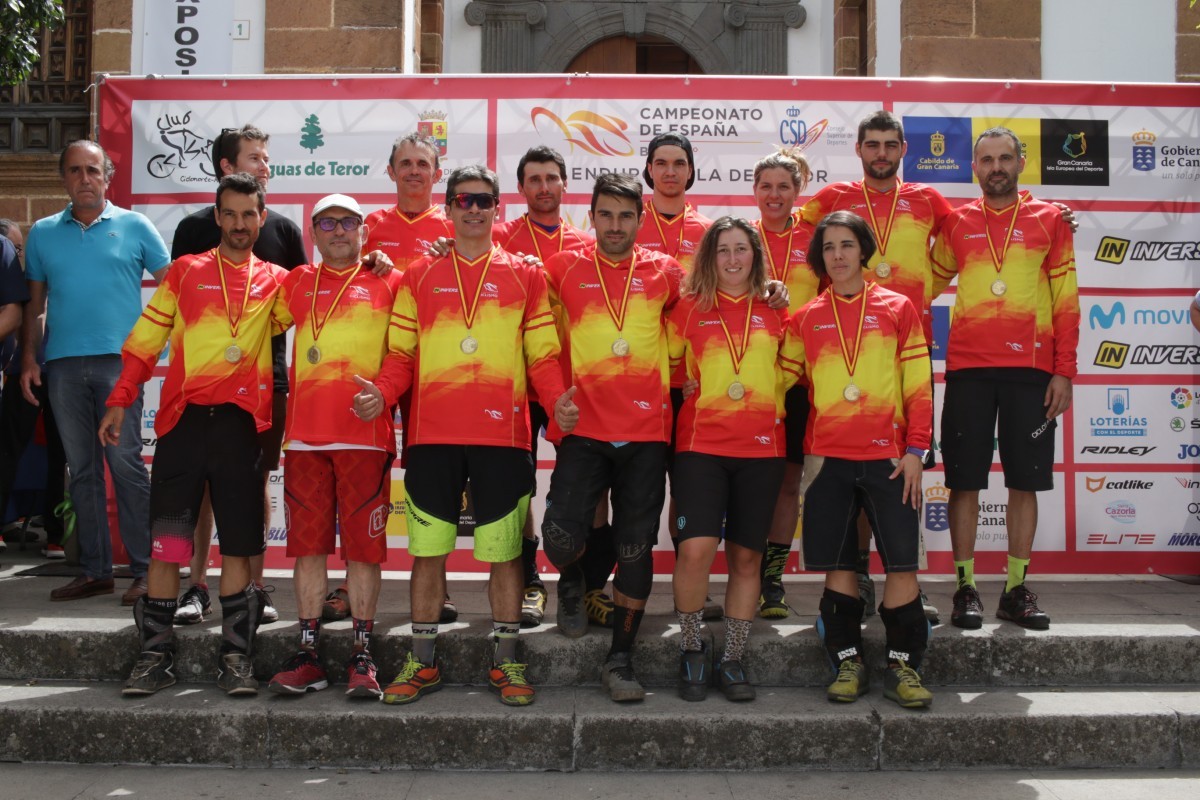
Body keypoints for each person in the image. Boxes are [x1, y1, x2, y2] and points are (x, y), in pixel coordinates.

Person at [356, 165, 577, 707]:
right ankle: (423, 662)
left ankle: (506, 662)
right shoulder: (418, 276)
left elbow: (543, 356)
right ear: (449, 208)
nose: (473, 209)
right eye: (463, 200)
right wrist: (382, 394)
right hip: (433, 436)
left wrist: (557, 401)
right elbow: (401, 356)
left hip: (502, 437)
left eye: (483, 201)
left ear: (497, 209)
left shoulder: (526, 275)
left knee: (503, 553)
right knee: (428, 553)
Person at [107, 172, 289, 696]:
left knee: (237, 548)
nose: (238, 225)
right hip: (183, 426)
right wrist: (120, 399)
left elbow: (327, 301)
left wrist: (375, 262)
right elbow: (145, 342)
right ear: (217, 216)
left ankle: (234, 657)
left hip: (240, 428)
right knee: (168, 546)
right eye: (229, 214)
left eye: (248, 215)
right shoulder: (185, 272)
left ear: (261, 217)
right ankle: (153, 655)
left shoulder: (277, 280)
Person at [799, 111, 953, 624]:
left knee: (903, 470)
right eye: (872, 145)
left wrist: (1055, 212)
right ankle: (857, 578)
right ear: (859, 150)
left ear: (903, 149)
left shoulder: (929, 200)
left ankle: (906, 579)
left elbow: (969, 235)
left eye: (890, 144)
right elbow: (782, 231)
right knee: (849, 473)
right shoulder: (833, 199)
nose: (881, 153)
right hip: (842, 346)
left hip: (905, 345)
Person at [781, 210, 934, 709]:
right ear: (819, 257)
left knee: (902, 567)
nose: (838, 255)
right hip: (827, 460)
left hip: (890, 458)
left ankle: (902, 668)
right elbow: (774, 380)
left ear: (863, 251)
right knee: (840, 568)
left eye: (847, 245)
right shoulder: (804, 318)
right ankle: (849, 661)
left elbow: (918, 384)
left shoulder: (898, 307)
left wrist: (916, 450)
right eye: (828, 247)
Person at [540, 172, 682, 701]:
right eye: (606, 214)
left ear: (641, 219)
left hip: (647, 433)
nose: (616, 225)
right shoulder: (562, 268)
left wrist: (769, 289)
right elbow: (534, 330)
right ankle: (575, 579)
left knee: (635, 547)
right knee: (559, 534)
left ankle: (620, 660)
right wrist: (557, 399)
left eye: (626, 216)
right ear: (591, 216)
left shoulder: (666, 272)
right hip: (585, 427)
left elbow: (712, 304)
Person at [931, 127, 1079, 631]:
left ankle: (1016, 589)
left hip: (1031, 371)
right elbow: (924, 282)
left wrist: (1065, 370)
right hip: (969, 368)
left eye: (1005, 158)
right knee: (964, 482)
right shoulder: (955, 222)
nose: (996, 167)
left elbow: (1066, 302)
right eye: (986, 159)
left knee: (1025, 482)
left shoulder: (1051, 220)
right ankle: (965, 587)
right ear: (974, 168)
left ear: (1021, 163)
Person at [169, 124, 307, 628]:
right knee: (202, 490)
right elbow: (175, 310)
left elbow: (309, 301)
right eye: (255, 157)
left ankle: (254, 586)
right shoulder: (191, 231)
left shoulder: (285, 230)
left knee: (253, 485)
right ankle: (196, 586)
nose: (265, 166)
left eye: (267, 159)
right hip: (201, 387)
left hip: (266, 383)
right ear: (227, 167)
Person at [265, 194, 401, 700]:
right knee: (307, 549)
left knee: (364, 552)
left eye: (348, 223)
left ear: (364, 231)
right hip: (304, 439)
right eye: (327, 223)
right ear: (314, 232)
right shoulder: (295, 283)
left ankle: (362, 654)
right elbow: (253, 320)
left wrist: (383, 394)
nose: (338, 231)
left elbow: (404, 355)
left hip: (365, 439)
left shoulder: (390, 280)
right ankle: (307, 653)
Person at [22, 140, 168, 604]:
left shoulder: (136, 225)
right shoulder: (43, 233)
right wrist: (28, 359)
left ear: (107, 176)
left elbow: (172, 292)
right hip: (61, 366)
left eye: (93, 170)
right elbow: (34, 306)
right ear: (63, 179)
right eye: (75, 171)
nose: (85, 178)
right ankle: (95, 570)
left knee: (124, 464)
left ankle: (146, 572)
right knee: (79, 470)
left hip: (120, 367)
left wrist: (155, 350)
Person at [667, 217, 786, 702]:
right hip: (700, 446)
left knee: (747, 556)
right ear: (708, 258)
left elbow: (795, 370)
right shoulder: (688, 309)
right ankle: (693, 649)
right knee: (695, 550)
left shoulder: (779, 310)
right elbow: (667, 367)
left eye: (742, 249)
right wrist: (687, 384)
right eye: (723, 251)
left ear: (755, 255)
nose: (733, 259)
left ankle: (733, 656)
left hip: (762, 449)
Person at [493, 145, 606, 630]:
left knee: (588, 486)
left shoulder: (586, 242)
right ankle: (530, 580)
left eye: (552, 178)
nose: (543, 187)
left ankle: (587, 581)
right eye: (534, 179)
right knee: (518, 486)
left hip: (573, 385)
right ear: (521, 188)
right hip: (516, 381)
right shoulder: (497, 237)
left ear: (565, 185)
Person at [358, 131, 457, 625]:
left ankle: (435, 588)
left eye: (424, 164)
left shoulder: (456, 226)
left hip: (437, 370)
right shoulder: (368, 226)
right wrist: (368, 263)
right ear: (391, 171)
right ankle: (356, 579)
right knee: (368, 475)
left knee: (429, 480)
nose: (415, 171)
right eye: (406, 163)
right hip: (378, 366)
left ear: (438, 175)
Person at [636, 132, 720, 619]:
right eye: (661, 163)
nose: (670, 171)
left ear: (690, 171)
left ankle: (691, 588)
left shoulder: (710, 232)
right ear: (649, 170)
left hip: (692, 381)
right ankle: (631, 582)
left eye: (679, 163)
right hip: (640, 378)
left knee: (688, 488)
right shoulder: (628, 223)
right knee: (637, 489)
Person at [750, 148, 818, 620]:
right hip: (746, 377)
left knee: (789, 482)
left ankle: (772, 579)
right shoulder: (735, 238)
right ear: (754, 190)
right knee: (750, 482)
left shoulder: (817, 239)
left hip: (802, 379)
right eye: (766, 186)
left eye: (784, 187)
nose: (774, 196)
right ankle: (747, 575)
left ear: (798, 192)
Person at [0, 220, 66, 559]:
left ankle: (57, 536)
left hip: (61, 372)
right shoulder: (17, 282)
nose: (18, 253)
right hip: (25, 371)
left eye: (20, 248)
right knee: (8, 451)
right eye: (15, 248)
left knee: (61, 455)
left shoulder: (60, 272)